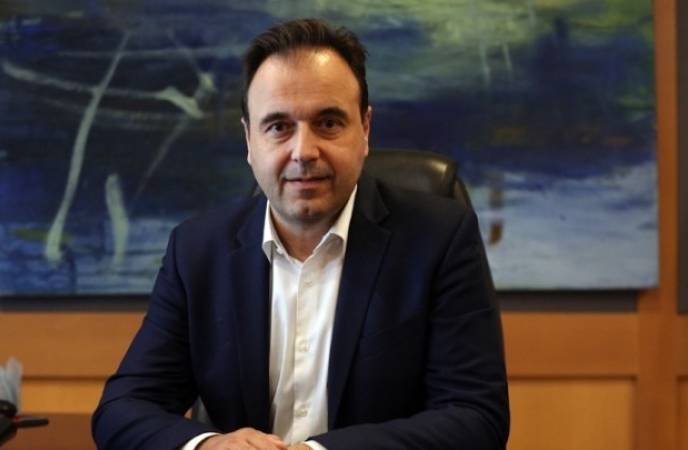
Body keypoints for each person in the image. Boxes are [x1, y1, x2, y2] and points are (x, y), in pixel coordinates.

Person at [92, 18, 509, 450]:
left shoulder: (439, 239)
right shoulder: (198, 250)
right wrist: (210, 446)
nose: (304, 151)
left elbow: (476, 417)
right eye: (278, 126)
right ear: (249, 140)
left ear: (364, 129)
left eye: (328, 123)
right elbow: (123, 409)